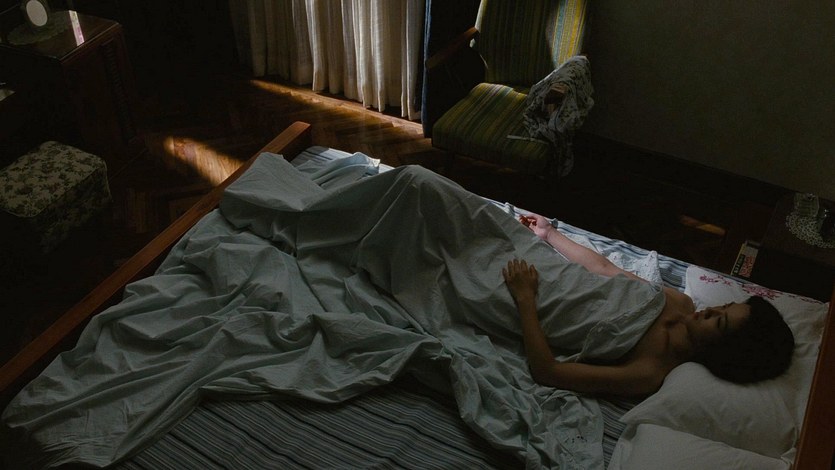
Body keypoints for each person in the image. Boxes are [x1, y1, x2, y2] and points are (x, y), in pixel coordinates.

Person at [503, 213, 795, 397]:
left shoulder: (649, 372)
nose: (710, 310)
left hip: (528, 300)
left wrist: (525, 299)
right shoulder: (679, 301)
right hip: (548, 271)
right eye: (724, 306)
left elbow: (548, 372)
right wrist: (550, 234)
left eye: (718, 321)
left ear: (720, 352)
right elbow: (605, 269)